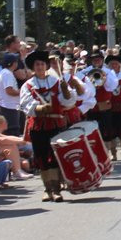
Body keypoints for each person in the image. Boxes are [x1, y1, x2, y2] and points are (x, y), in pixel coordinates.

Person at [20, 51, 78, 202]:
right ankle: (47, 189)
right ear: (33, 67)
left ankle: (57, 189)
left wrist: (65, 92)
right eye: (37, 64)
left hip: (56, 124)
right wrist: (40, 109)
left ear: (46, 66)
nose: (39, 66)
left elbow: (69, 102)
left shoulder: (56, 81)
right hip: (39, 126)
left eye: (42, 64)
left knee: (55, 157)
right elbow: (25, 104)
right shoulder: (28, 85)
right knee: (42, 157)